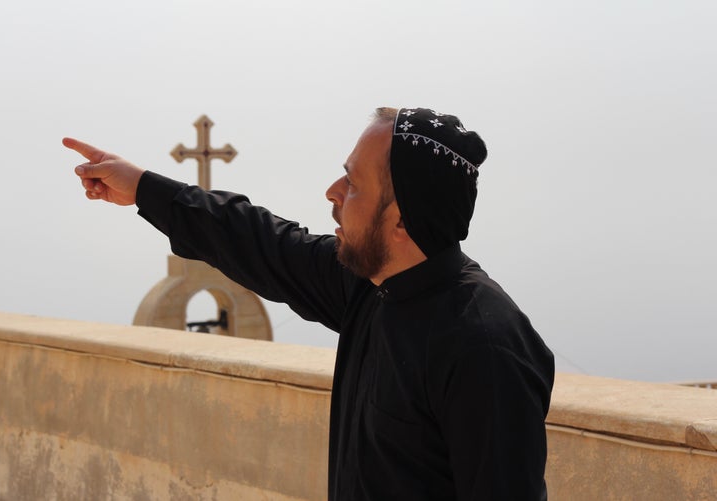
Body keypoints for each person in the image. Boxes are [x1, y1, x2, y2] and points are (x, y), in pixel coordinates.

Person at [65, 107, 555, 500]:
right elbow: (260, 241)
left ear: (403, 222)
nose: (333, 193)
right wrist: (144, 187)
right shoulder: (371, 284)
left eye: (354, 184)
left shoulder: (484, 347)